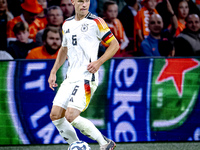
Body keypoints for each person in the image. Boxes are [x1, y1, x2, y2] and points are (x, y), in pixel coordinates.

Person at [48, 0, 119, 149]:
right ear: (73, 2)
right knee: (55, 115)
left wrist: (99, 62)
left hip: (86, 76)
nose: (84, 4)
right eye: (80, 1)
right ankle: (76, 145)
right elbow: (64, 49)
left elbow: (114, 45)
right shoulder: (66, 23)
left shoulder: (96, 22)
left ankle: (105, 143)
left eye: (87, 1)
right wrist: (53, 71)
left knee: (71, 115)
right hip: (70, 77)